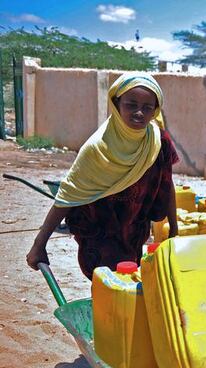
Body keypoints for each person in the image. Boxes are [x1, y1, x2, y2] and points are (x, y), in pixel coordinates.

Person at [26, 73, 179, 279]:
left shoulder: (158, 142)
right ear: (117, 103)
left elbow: (167, 185)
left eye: (147, 107)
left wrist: (174, 231)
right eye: (131, 104)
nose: (139, 113)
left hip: (134, 231)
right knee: (110, 288)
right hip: (101, 233)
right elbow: (68, 196)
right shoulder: (97, 148)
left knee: (129, 285)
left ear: (155, 110)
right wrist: (39, 244)